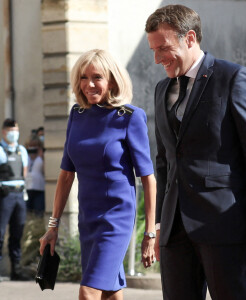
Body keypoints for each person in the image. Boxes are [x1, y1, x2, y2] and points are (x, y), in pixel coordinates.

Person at [145, 5, 246, 300]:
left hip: (223, 223)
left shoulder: (233, 78)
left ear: (189, 38)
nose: (157, 59)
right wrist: (158, 226)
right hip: (173, 230)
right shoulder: (160, 90)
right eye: (153, 50)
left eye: (163, 48)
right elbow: (165, 161)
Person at [39, 49, 156, 300]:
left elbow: (148, 178)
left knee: (89, 291)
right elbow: (66, 175)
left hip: (116, 218)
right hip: (87, 217)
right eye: (83, 77)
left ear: (112, 80)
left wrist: (149, 233)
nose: (89, 84)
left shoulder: (130, 118)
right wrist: (54, 225)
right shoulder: (77, 115)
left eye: (97, 77)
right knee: (110, 292)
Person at [0, 118, 30, 281]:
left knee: (17, 233)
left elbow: (24, 170)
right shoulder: (0, 150)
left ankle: (16, 270)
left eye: (15, 130)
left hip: (19, 194)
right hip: (4, 195)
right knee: (0, 232)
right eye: (11, 131)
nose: (14, 133)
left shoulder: (21, 150)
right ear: (4, 132)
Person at [25, 137, 45, 216]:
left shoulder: (42, 157)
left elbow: (45, 171)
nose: (32, 148)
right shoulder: (26, 156)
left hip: (39, 188)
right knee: (27, 211)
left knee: (38, 212)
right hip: (27, 188)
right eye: (31, 146)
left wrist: (41, 156)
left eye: (35, 146)